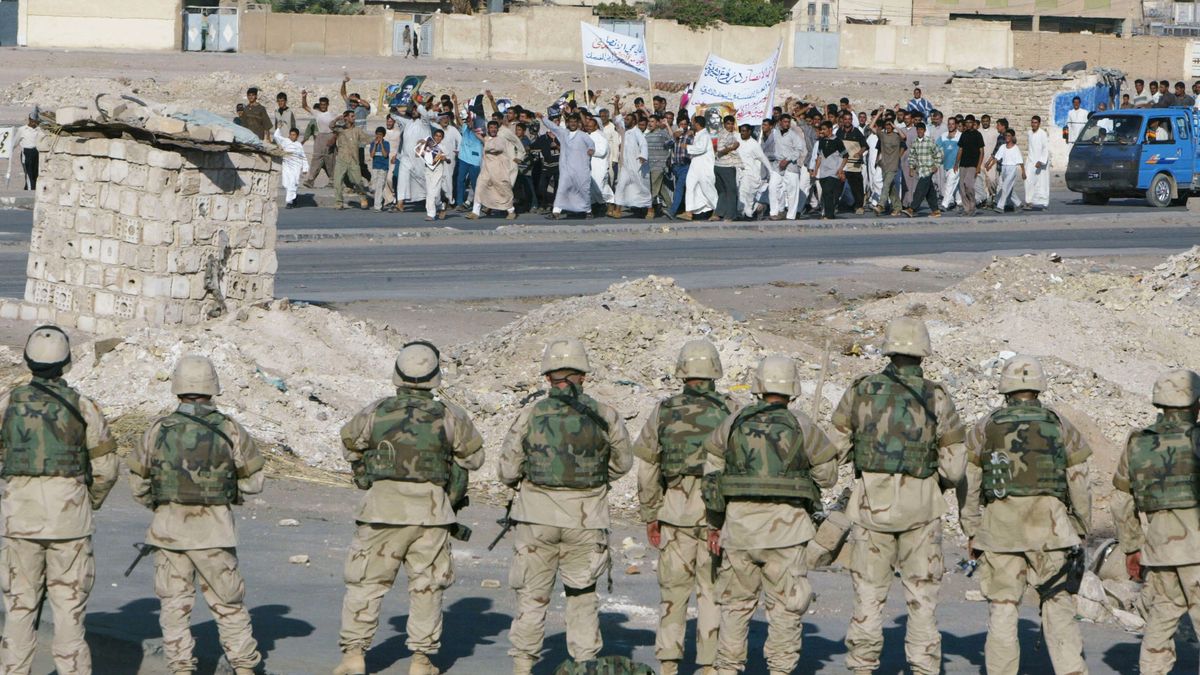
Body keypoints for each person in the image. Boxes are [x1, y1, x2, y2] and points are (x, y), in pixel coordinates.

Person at [333, 343, 484, 675]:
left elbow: (349, 446)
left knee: (366, 585)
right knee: (427, 587)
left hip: (381, 511)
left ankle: (354, 657)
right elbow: (473, 458)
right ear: (435, 378)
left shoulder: (375, 411)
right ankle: (420, 661)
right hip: (432, 514)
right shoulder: (450, 415)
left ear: (397, 376)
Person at [834, 317, 966, 675]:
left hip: (870, 505)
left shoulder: (860, 389)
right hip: (922, 506)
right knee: (922, 598)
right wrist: (932, 480)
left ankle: (862, 667)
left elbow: (834, 446)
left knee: (868, 596)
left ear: (889, 348)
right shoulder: (937, 395)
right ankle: (923, 668)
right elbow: (955, 467)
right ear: (923, 351)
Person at [498, 339, 632, 675]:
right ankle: (585, 665)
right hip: (586, 520)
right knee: (582, 598)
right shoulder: (605, 415)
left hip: (535, 519)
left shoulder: (530, 414)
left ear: (548, 378)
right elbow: (623, 463)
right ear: (583, 376)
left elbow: (507, 470)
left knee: (531, 596)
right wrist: (595, 481)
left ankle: (523, 666)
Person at [127, 355, 265, 675]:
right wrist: (228, 495)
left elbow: (138, 482)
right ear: (212, 387)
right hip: (215, 532)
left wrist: (161, 506)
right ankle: (244, 667)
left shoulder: (158, 430)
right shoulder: (230, 429)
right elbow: (255, 481)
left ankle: (180, 668)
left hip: (168, 530)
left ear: (177, 388)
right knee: (228, 605)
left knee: (174, 607)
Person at [703, 356, 838, 675]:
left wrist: (714, 525)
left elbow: (711, 477)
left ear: (758, 386)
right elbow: (828, 477)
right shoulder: (803, 424)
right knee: (786, 611)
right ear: (792, 389)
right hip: (788, 534)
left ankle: (727, 669)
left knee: (735, 609)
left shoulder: (733, 422)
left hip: (739, 531)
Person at [961, 355, 1091, 675]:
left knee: (1003, 610)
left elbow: (969, 479)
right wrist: (1080, 525)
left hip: (1000, 529)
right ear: (1038, 387)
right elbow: (1079, 478)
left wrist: (972, 528)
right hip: (1050, 527)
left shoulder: (986, 426)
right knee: (1059, 606)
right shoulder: (1059, 423)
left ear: (1005, 386)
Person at [0, 326, 118, 675]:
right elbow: (107, 468)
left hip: (19, 522)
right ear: (66, 363)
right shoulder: (83, 407)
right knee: (69, 613)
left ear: (27, 361)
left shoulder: (7, 403)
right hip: (70, 522)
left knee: (19, 610)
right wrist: (88, 500)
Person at [633, 341, 731, 675]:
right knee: (711, 592)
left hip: (673, 512)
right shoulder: (732, 410)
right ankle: (709, 665)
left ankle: (669, 664)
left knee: (673, 593)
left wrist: (650, 514)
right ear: (715, 371)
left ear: (682, 372)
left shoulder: (664, 410)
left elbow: (647, 469)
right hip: (715, 514)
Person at [1111, 369, 1200, 675]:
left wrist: (1132, 548)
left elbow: (1122, 501)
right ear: (1196, 404)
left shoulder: (1138, 442)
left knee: (1161, 622)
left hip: (1160, 551)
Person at [540, 112, 594, 219]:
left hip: (581, 170)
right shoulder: (563, 133)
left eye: (575, 122)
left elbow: (591, 144)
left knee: (583, 190)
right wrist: (543, 118)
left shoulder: (583, 135)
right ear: (568, 123)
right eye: (571, 122)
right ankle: (556, 212)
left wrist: (591, 150)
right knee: (562, 189)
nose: (573, 124)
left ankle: (588, 211)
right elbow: (553, 126)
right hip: (566, 170)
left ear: (578, 123)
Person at [469, 121, 524, 220]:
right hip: (486, 170)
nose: (493, 129)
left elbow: (495, 148)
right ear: (488, 129)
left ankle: (511, 211)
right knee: (479, 187)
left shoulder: (500, 140)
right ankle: (475, 212)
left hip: (499, 170)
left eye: (495, 127)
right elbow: (479, 136)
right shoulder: (486, 138)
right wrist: (473, 128)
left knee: (503, 189)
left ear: (497, 129)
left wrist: (484, 141)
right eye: (491, 127)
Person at [614, 112, 652, 218]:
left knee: (641, 187)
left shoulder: (637, 132)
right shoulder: (625, 131)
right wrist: (617, 106)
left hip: (636, 165)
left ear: (634, 121)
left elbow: (643, 144)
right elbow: (617, 120)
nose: (625, 121)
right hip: (626, 166)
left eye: (628, 119)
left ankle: (650, 209)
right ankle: (617, 210)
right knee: (620, 186)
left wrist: (643, 156)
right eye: (625, 120)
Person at [769, 115, 806, 220]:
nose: (786, 124)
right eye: (784, 122)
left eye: (788, 122)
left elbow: (799, 149)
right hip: (777, 165)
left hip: (791, 166)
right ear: (780, 122)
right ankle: (774, 212)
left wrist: (787, 159)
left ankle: (791, 216)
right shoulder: (774, 134)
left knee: (792, 191)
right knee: (773, 187)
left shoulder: (794, 135)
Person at [331, 112, 370, 210]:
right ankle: (338, 202)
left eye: (354, 116)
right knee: (337, 182)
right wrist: (337, 119)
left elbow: (367, 139)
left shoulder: (357, 130)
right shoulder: (340, 130)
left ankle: (363, 197)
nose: (354, 118)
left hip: (354, 160)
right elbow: (331, 126)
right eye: (352, 116)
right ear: (346, 118)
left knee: (357, 181)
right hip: (341, 160)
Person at [681, 116, 718, 220]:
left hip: (704, 168)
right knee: (690, 186)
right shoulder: (698, 135)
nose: (691, 125)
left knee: (707, 189)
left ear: (697, 124)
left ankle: (717, 211)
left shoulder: (705, 135)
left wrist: (687, 147)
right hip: (695, 166)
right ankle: (688, 212)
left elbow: (701, 148)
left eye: (693, 123)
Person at [904, 123, 943, 218]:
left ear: (924, 130)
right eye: (918, 130)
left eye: (921, 130)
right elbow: (912, 156)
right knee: (930, 192)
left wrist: (936, 165)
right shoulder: (915, 142)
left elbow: (939, 154)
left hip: (928, 170)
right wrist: (911, 168)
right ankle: (936, 211)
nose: (920, 131)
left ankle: (912, 209)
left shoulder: (930, 141)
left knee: (920, 189)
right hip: (920, 170)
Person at [302, 91, 340, 188]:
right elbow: (305, 106)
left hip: (330, 137)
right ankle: (310, 180)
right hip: (320, 138)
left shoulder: (332, 114)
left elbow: (340, 122)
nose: (323, 106)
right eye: (321, 104)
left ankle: (333, 181)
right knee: (316, 159)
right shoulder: (317, 113)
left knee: (330, 160)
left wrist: (334, 138)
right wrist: (304, 97)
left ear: (327, 105)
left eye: (324, 104)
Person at [812, 121, 847, 220]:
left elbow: (845, 156)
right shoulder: (822, 141)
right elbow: (819, 156)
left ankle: (828, 215)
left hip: (833, 171)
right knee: (826, 194)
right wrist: (816, 170)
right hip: (823, 172)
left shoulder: (838, 141)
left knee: (828, 191)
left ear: (830, 129)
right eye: (821, 129)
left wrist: (840, 169)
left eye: (824, 129)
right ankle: (830, 214)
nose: (822, 131)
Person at [735, 123, 769, 220]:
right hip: (739, 172)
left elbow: (762, 159)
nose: (742, 133)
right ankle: (758, 208)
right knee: (742, 193)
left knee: (744, 192)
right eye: (741, 131)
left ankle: (744, 213)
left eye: (744, 131)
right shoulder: (738, 139)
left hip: (751, 173)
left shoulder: (754, 144)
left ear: (749, 132)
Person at [416, 129, 451, 220]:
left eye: (440, 136)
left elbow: (449, 160)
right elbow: (417, 154)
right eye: (436, 135)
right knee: (431, 192)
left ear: (442, 138)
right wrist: (420, 144)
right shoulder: (428, 145)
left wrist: (445, 159)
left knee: (433, 193)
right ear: (433, 136)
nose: (438, 138)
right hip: (428, 170)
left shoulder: (443, 147)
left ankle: (431, 214)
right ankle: (441, 205)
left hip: (438, 171)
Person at [987, 130, 1025, 213]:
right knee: (1007, 188)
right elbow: (997, 158)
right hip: (1004, 168)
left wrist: (1023, 172)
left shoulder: (1015, 148)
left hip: (1012, 169)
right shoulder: (1003, 147)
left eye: (1009, 136)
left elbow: (1021, 161)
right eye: (1006, 136)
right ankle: (1018, 204)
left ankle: (1000, 206)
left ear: (1012, 137)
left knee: (1005, 187)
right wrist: (990, 165)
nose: (1007, 137)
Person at [837, 111, 867, 214]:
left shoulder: (857, 132)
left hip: (854, 163)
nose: (847, 121)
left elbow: (865, 145)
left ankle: (859, 206)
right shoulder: (839, 132)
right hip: (842, 163)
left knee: (857, 186)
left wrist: (859, 153)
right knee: (838, 185)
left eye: (849, 119)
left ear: (852, 120)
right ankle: (836, 205)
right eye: (845, 119)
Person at [273, 126, 310, 208]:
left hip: (296, 166)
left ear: (297, 136)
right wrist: (279, 128)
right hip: (286, 165)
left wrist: (305, 168)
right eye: (291, 134)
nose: (292, 136)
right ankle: (294, 197)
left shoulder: (299, 145)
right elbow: (276, 136)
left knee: (293, 183)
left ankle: (289, 202)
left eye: (294, 135)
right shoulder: (285, 141)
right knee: (286, 184)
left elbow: (303, 156)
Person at [956, 115, 985, 216]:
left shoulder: (978, 135)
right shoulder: (963, 134)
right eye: (966, 122)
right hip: (963, 164)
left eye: (970, 122)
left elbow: (981, 151)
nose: (968, 124)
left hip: (973, 164)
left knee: (968, 185)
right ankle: (966, 209)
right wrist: (956, 163)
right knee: (962, 187)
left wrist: (978, 166)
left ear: (974, 123)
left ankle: (973, 206)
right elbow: (960, 149)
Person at [645, 115, 674, 219]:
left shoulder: (662, 134)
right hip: (650, 166)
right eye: (649, 121)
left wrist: (667, 125)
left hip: (659, 166)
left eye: (652, 121)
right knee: (661, 189)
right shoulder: (647, 136)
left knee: (653, 189)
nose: (650, 123)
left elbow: (672, 140)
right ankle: (672, 208)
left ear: (657, 123)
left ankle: (650, 210)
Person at [585, 115, 613, 215]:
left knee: (600, 187)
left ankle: (610, 202)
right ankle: (595, 209)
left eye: (591, 126)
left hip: (600, 166)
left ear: (596, 126)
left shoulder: (601, 136)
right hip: (589, 167)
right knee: (591, 189)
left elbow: (602, 151)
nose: (588, 127)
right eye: (587, 126)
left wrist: (592, 152)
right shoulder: (586, 136)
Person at [874, 119, 903, 216]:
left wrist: (896, 127)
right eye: (887, 125)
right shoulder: (883, 136)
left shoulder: (897, 136)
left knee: (886, 185)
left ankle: (881, 205)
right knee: (890, 188)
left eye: (890, 125)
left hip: (893, 165)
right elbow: (871, 127)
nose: (888, 127)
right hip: (884, 165)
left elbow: (904, 137)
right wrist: (879, 114)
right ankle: (898, 207)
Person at [457, 112, 483, 209]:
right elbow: (457, 118)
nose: (468, 123)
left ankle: (478, 204)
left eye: (470, 121)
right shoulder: (464, 128)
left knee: (475, 183)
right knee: (460, 180)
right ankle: (459, 203)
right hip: (463, 158)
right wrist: (455, 104)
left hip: (475, 160)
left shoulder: (479, 131)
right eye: (467, 121)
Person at [668, 117, 692, 219]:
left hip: (685, 166)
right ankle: (683, 209)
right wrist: (674, 137)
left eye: (685, 124)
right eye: (681, 124)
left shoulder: (690, 137)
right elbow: (666, 145)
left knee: (679, 188)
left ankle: (672, 211)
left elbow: (694, 150)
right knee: (681, 189)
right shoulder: (676, 137)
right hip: (676, 167)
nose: (683, 126)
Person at [1024, 115, 1050, 210]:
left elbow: (1045, 148)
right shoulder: (1029, 133)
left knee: (1041, 183)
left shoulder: (1043, 134)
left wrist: (1041, 160)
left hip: (1040, 162)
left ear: (1039, 123)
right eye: (1032, 122)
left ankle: (1043, 203)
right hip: (1030, 161)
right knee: (1028, 181)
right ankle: (1029, 202)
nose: (1033, 124)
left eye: (1035, 122)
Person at [13, 112, 43, 191]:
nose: (34, 123)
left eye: (36, 121)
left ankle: (28, 190)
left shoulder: (39, 129)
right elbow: (14, 143)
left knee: (35, 174)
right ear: (29, 120)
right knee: (29, 174)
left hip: (36, 153)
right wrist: (8, 151)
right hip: (26, 153)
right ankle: (31, 192)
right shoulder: (22, 130)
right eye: (33, 121)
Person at [936, 117, 960, 213]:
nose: (950, 126)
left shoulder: (960, 136)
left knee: (950, 184)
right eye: (949, 124)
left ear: (956, 125)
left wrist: (957, 163)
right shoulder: (943, 136)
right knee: (954, 184)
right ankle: (959, 202)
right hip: (946, 165)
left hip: (957, 165)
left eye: (952, 124)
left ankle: (944, 204)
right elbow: (936, 146)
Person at [368, 126, 391, 212]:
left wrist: (381, 144)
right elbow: (372, 155)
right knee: (373, 186)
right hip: (375, 167)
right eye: (377, 134)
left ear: (383, 135)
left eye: (380, 135)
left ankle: (377, 207)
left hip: (383, 168)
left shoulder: (386, 144)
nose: (379, 136)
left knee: (379, 186)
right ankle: (381, 199)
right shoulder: (373, 143)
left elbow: (385, 155)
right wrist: (375, 145)